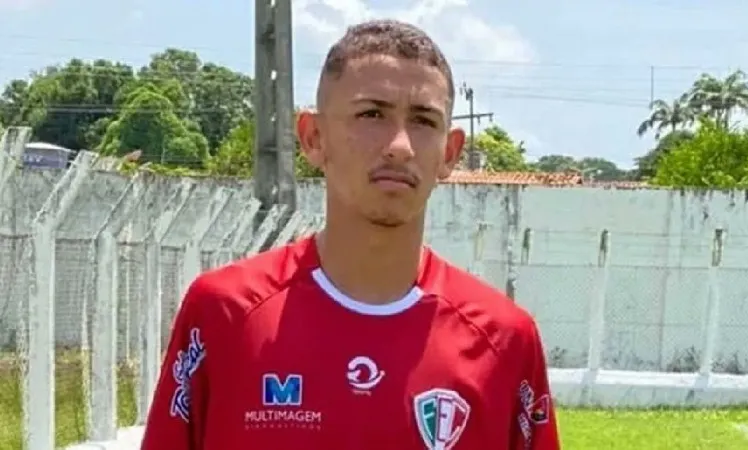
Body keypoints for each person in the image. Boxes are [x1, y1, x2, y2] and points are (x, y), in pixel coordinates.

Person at [140, 19, 560, 450]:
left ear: (449, 153)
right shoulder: (222, 315)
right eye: (372, 114)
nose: (400, 145)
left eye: (423, 120)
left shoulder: (505, 340)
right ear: (313, 137)